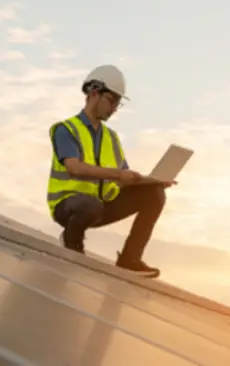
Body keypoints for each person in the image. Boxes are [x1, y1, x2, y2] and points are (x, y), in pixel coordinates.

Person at [46, 64, 176, 278]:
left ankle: (129, 259)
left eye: (118, 103)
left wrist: (153, 181)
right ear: (94, 93)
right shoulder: (66, 129)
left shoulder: (111, 138)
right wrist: (117, 175)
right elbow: (74, 167)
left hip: (100, 207)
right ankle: (72, 243)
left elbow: (124, 179)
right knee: (89, 204)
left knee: (155, 194)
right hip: (69, 206)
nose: (115, 108)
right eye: (113, 100)